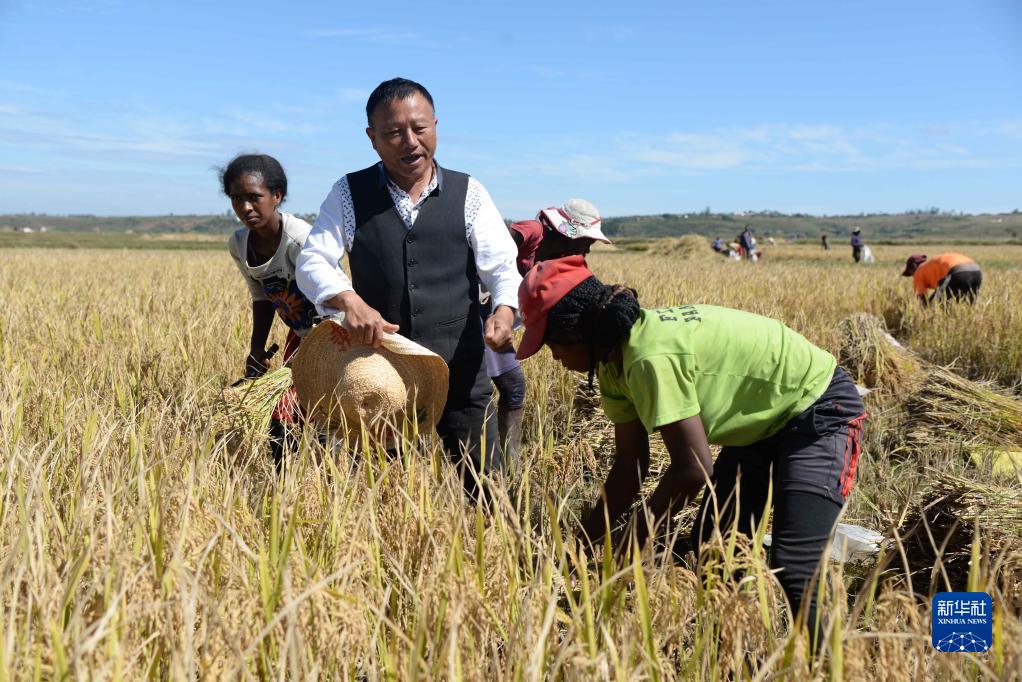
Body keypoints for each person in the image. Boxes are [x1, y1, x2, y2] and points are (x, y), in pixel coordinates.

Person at [516, 256, 867, 644]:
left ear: (576, 333)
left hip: (816, 409)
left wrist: (627, 548)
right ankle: (736, 647)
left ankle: (833, 664)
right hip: (759, 424)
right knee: (715, 548)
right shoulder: (613, 366)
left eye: (551, 345)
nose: (553, 357)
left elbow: (692, 469)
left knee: (795, 564)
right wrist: (576, 551)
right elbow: (629, 469)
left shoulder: (648, 356)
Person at [296, 78, 521, 498]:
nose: (410, 142)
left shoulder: (469, 192)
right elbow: (312, 260)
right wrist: (348, 300)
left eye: (419, 129)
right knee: (384, 497)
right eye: (394, 133)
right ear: (372, 139)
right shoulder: (348, 193)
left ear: (436, 125)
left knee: (488, 495)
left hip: (461, 369)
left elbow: (503, 267)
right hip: (382, 377)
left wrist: (505, 310)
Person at [483, 199, 612, 467]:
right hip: (477, 314)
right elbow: (487, 249)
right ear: (568, 233)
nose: (588, 249)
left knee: (511, 388)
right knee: (492, 388)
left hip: (496, 322)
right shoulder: (532, 232)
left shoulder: (559, 263)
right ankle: (496, 463)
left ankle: (507, 463)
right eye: (586, 240)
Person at [222, 153, 318, 466]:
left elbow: (336, 294)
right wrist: (256, 349)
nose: (245, 207)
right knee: (283, 413)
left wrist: (315, 355)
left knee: (315, 410)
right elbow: (260, 295)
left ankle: (324, 479)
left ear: (276, 196)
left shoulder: (298, 240)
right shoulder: (239, 243)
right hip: (299, 334)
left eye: (254, 197)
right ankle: (284, 484)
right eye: (237, 199)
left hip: (333, 334)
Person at [902, 253, 982, 305]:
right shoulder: (931, 264)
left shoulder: (919, 271)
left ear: (913, 266)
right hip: (976, 271)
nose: (912, 276)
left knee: (935, 305)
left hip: (957, 272)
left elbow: (922, 300)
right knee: (967, 305)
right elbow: (942, 287)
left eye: (910, 273)